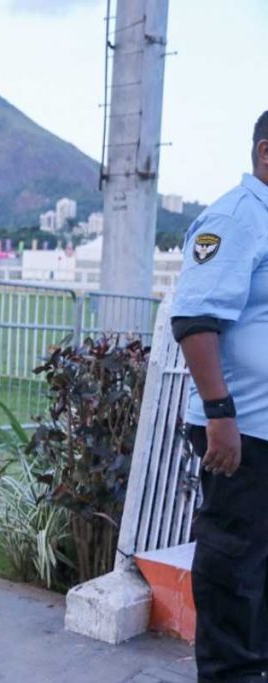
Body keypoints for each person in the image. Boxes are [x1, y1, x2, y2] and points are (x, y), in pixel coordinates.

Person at [172, 110, 268, 683]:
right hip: (241, 429)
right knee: (234, 570)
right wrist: (220, 416)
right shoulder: (236, 217)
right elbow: (195, 319)